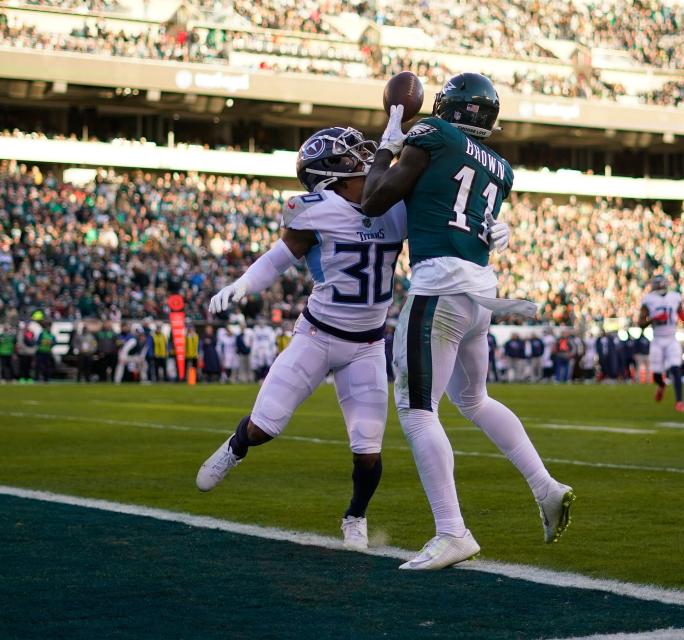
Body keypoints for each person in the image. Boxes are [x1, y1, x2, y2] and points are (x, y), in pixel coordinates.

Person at [361, 73, 574, 570]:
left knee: (417, 409)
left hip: (440, 287)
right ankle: (546, 487)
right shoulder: (501, 166)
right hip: (481, 291)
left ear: (449, 108)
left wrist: (386, 145)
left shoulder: (433, 133)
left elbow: (373, 199)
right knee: (474, 398)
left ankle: (452, 530)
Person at [196, 126, 406, 551]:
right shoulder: (313, 211)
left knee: (368, 448)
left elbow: (445, 226)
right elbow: (278, 260)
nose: (365, 162)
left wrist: (486, 232)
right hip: (317, 335)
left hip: (367, 344)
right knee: (263, 428)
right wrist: (243, 285)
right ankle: (236, 446)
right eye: (352, 158)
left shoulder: (397, 204)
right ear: (329, 173)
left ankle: (355, 516)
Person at [638, 274, 684, 412]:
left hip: (672, 338)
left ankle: (679, 401)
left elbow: (681, 313)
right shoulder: (649, 299)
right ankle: (661, 385)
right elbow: (640, 323)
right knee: (657, 375)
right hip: (658, 340)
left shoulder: (675, 296)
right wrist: (653, 319)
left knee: (675, 368)